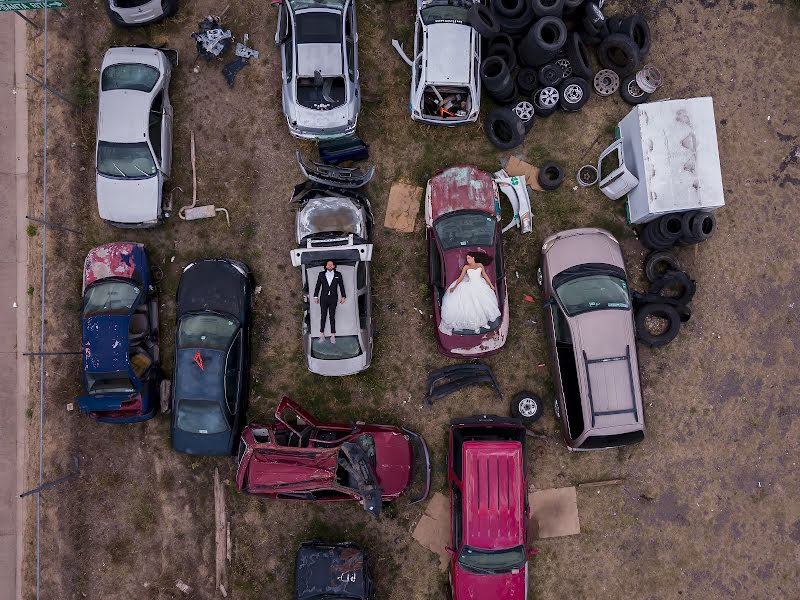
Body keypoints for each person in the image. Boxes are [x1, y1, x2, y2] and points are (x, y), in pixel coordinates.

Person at [439, 253, 500, 335]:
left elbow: (485, 275)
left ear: (473, 258)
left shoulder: (480, 265)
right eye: (467, 259)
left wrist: (491, 285)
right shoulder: (466, 267)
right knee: (472, 304)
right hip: (471, 285)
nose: (467, 260)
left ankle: (484, 318)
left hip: (481, 285)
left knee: (484, 302)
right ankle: (477, 321)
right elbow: (461, 278)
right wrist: (455, 287)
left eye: (469, 258)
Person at [314, 260, 346, 343]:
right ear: (326, 266)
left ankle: (333, 335)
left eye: (331, 264)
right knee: (323, 316)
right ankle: (321, 334)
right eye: (328, 264)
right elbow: (317, 286)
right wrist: (315, 296)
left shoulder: (338, 274)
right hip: (323, 298)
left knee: (332, 316)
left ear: (334, 266)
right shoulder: (321, 274)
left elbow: (341, 285)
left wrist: (343, 296)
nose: (330, 266)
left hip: (333, 298)